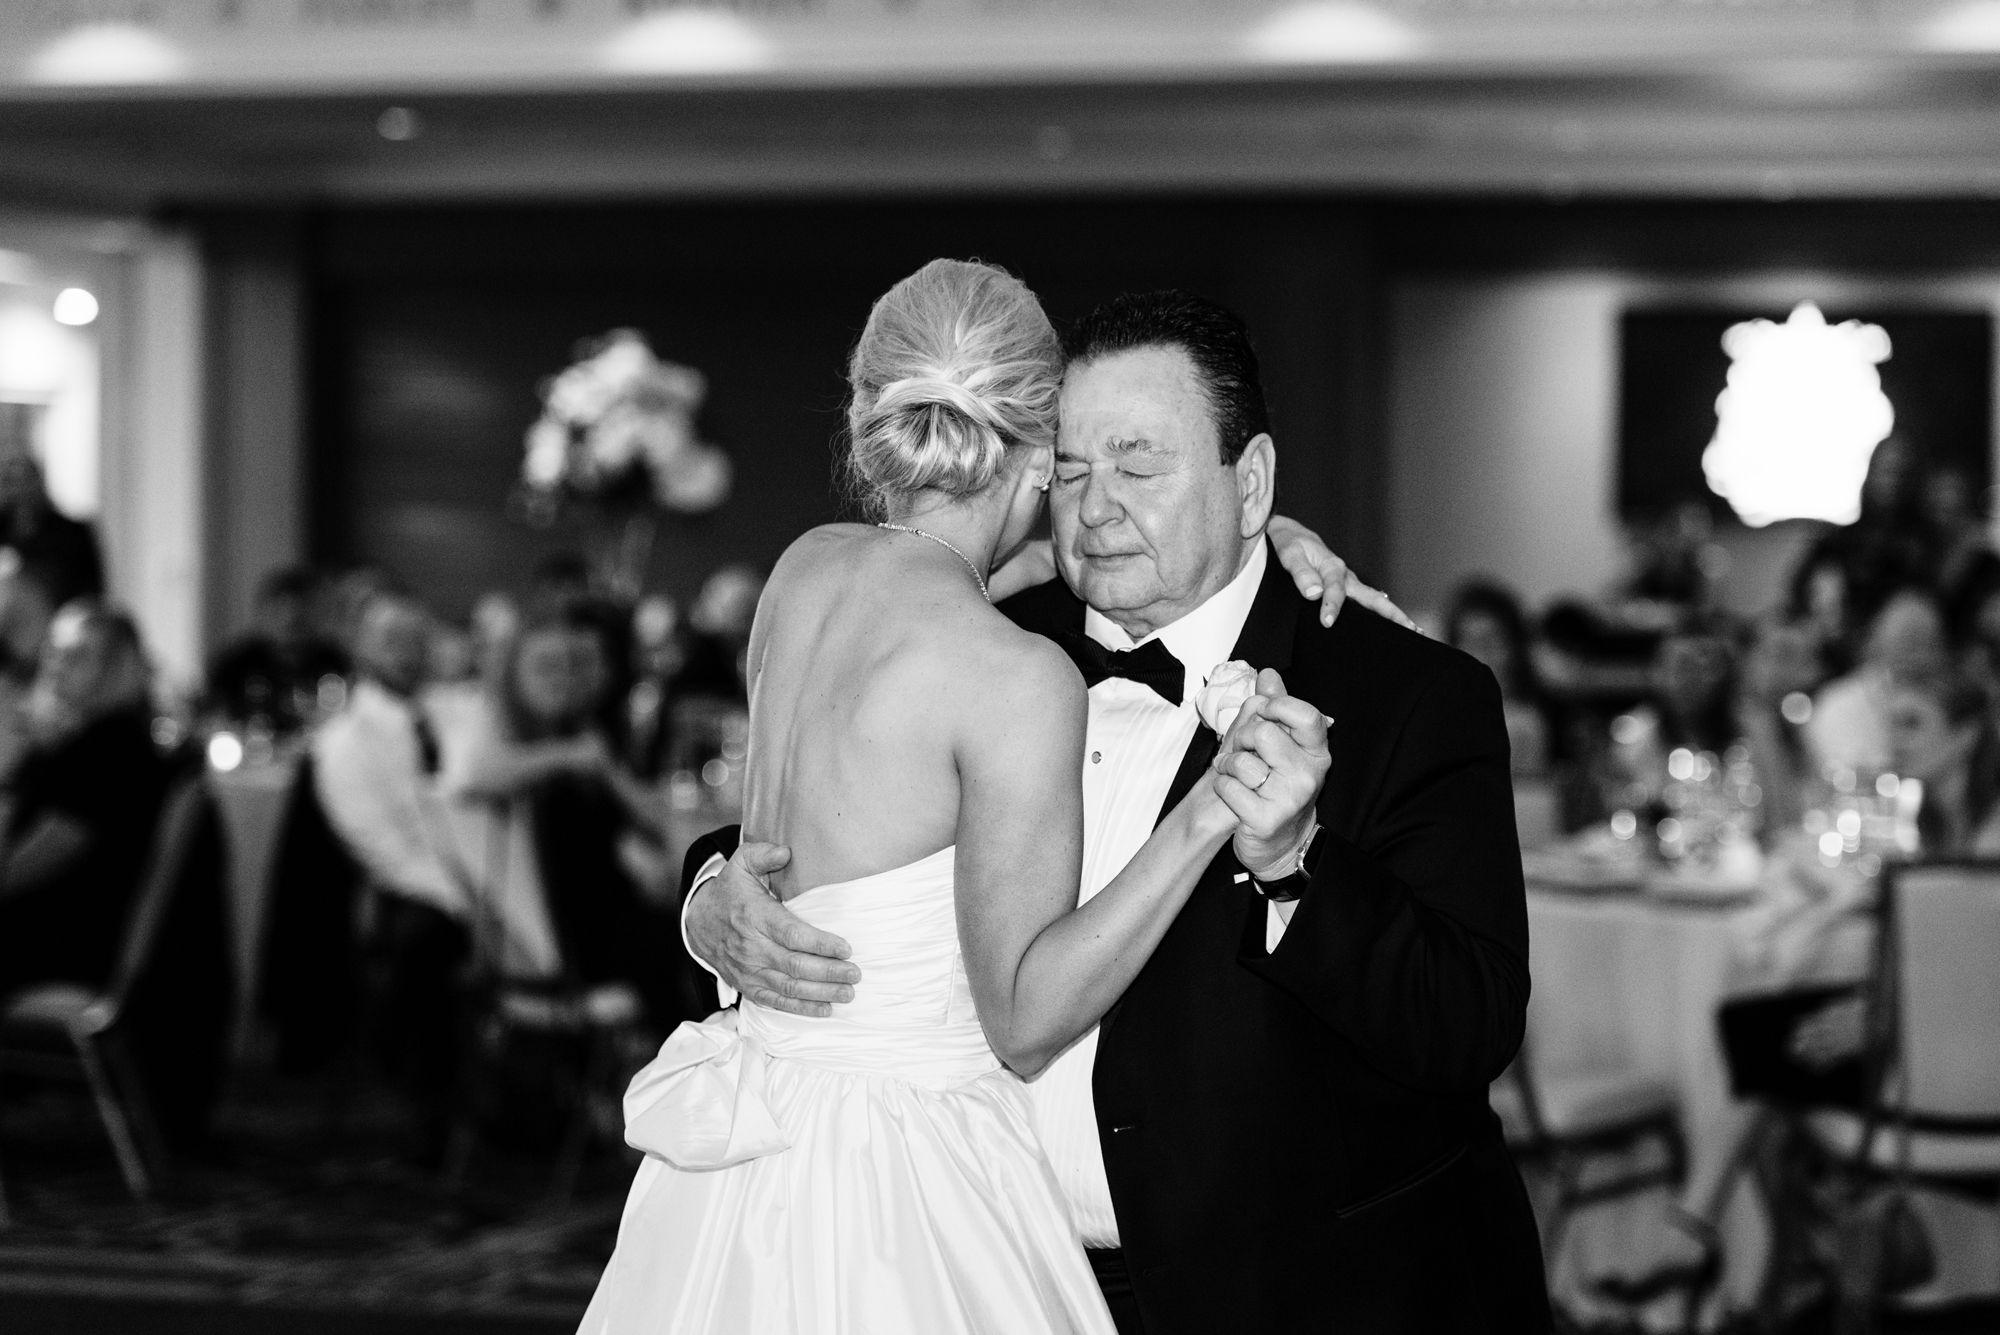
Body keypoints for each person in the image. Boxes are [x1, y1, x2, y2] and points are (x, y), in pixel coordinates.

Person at [660, 279, 1545, 1333]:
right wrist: (711, 894)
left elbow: (1468, 1024)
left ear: (1249, 482)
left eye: (1138, 463)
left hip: (1294, 1293)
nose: (1094, 505)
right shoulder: (997, 637)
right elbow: (830, 829)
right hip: (976, 1262)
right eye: (1070, 467)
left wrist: (1297, 867)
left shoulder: (1403, 694)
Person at [1804, 586, 1950, 777]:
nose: (1921, 655)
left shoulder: (1946, 699)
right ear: (1874, 643)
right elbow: (1851, 779)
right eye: (1909, 640)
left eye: (1931, 643)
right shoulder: (1839, 704)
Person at [205, 564, 349, 733]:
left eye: (298, 617)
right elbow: (214, 717)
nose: (288, 622)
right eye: (278, 612)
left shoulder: (336, 663)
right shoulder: (234, 667)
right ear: (262, 613)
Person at [0, 453, 103, 610]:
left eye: (25, 480)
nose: (19, 490)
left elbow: (92, 590)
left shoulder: (71, 532)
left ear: (39, 482)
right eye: (10, 481)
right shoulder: (4, 530)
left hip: (60, 616)